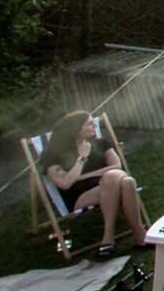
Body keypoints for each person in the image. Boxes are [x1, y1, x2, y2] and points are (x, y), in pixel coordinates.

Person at [38, 110, 146, 259]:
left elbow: (117, 166)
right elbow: (65, 183)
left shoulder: (101, 143)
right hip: (80, 196)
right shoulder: (52, 154)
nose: (95, 126)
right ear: (76, 129)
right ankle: (139, 235)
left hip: (110, 184)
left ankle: (111, 237)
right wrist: (82, 157)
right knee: (125, 182)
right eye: (90, 124)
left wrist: (85, 176)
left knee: (121, 180)